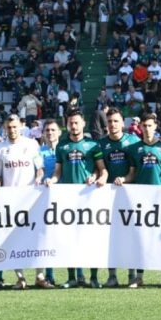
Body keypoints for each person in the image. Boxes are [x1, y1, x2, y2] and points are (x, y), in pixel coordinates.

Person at [116, 113, 161, 287]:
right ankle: (139, 276)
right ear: (140, 127)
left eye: (150, 126)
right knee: (140, 237)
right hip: (141, 198)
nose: (147, 129)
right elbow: (132, 173)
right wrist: (123, 179)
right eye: (144, 126)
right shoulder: (135, 149)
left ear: (155, 127)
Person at [51, 110, 107, 288]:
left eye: (76, 123)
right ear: (66, 125)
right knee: (69, 239)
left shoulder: (93, 145)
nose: (73, 126)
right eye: (70, 123)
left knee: (91, 238)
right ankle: (72, 277)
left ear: (83, 123)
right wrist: (51, 180)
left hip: (89, 198)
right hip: (68, 198)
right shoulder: (62, 145)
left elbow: (102, 170)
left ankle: (93, 277)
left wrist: (97, 176)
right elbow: (57, 172)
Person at [0, 114, 45, 289]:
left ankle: (40, 276)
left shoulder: (31, 144)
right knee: (13, 239)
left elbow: (40, 168)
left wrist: (38, 179)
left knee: (36, 237)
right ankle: (20, 278)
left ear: (20, 127)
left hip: (31, 199)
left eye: (15, 127)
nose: (12, 130)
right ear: (4, 128)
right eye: (9, 127)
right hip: (10, 201)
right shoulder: (0, 149)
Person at [97, 108, 140, 287]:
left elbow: (137, 168)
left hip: (130, 195)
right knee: (110, 236)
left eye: (116, 121)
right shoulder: (100, 144)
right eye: (109, 121)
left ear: (123, 123)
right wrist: (100, 176)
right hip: (108, 196)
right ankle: (112, 276)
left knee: (130, 235)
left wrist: (126, 179)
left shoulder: (133, 141)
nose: (112, 125)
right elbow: (98, 167)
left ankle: (132, 275)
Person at [36, 119, 62, 286]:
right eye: (47, 130)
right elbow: (39, 169)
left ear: (59, 132)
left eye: (53, 130)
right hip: (45, 198)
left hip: (66, 196)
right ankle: (48, 275)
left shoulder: (65, 148)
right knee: (45, 237)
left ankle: (78, 275)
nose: (50, 133)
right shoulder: (39, 152)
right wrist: (39, 178)